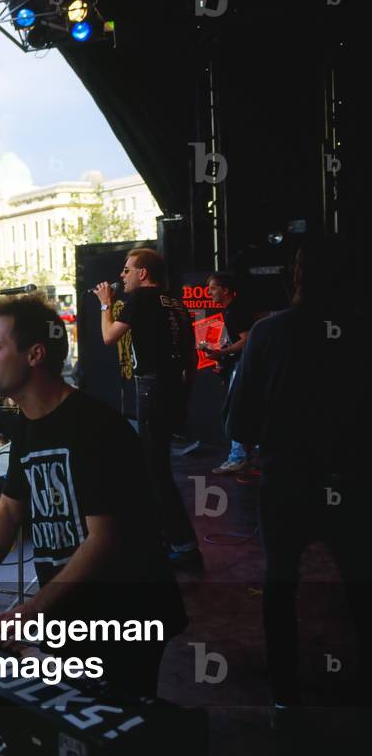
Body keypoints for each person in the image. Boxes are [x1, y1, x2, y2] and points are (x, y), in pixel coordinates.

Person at [0, 294, 187, 699]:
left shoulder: (97, 427)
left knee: (116, 726)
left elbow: (105, 540)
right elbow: (10, 507)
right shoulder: (29, 426)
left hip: (126, 613)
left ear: (34, 354)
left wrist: (31, 612)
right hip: (73, 613)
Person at [226, 239, 368, 719]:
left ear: (297, 276)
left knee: (280, 582)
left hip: (287, 478)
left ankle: (285, 693)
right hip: (351, 478)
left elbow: (239, 423)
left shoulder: (268, 334)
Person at [95, 248, 202, 572]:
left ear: (143, 273)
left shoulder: (140, 300)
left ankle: (183, 546)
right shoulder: (174, 302)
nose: (122, 276)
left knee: (156, 471)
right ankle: (170, 540)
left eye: (127, 270)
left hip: (152, 388)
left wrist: (104, 303)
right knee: (156, 467)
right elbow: (190, 355)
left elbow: (108, 337)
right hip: (172, 389)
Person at [202, 272, 254, 475]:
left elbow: (247, 340)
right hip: (240, 364)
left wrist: (222, 352)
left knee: (235, 412)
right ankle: (243, 457)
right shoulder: (232, 310)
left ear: (225, 290)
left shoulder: (235, 311)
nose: (209, 292)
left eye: (213, 288)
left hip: (242, 365)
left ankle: (238, 458)